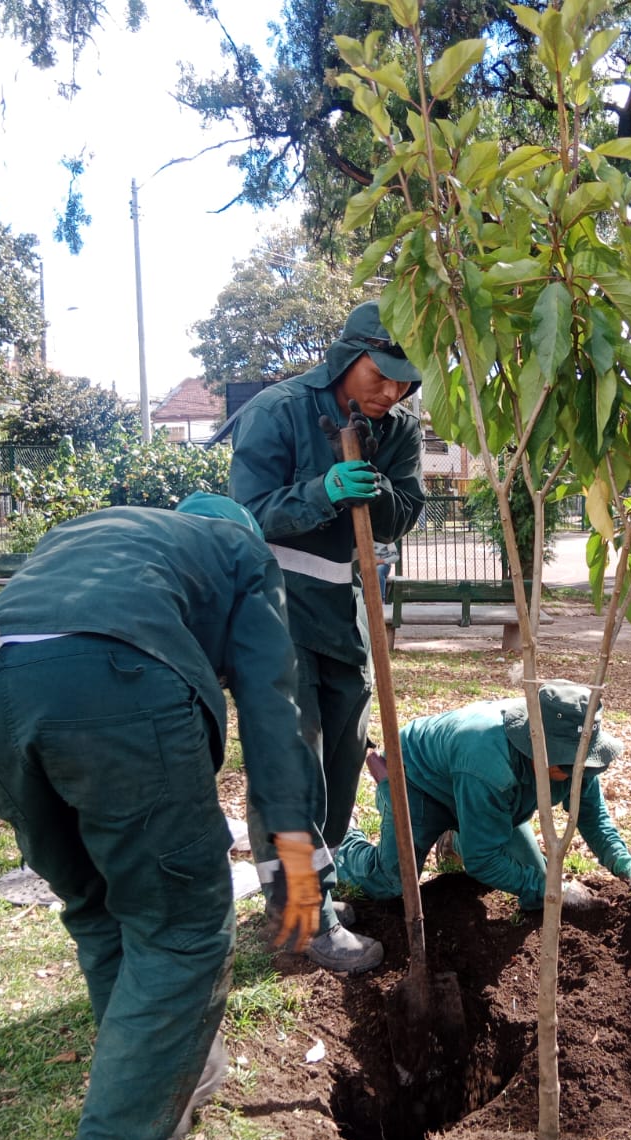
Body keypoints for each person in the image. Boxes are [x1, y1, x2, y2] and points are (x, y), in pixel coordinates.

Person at [0, 494, 329, 1140]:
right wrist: (291, 845)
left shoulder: (89, 539)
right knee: (186, 929)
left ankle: (147, 1094)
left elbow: (21, 658)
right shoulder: (241, 552)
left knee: (100, 910)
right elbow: (268, 699)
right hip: (117, 698)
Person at [227, 301, 425, 974]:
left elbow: (406, 512)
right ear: (348, 355)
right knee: (290, 764)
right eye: (381, 373)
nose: (391, 391)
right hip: (274, 614)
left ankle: (318, 892)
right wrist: (322, 491)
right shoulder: (274, 413)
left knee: (340, 761)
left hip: (348, 612)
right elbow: (246, 518)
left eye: (404, 381)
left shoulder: (396, 427)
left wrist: (375, 494)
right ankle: (299, 916)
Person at [334, 681, 631, 912]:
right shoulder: (490, 762)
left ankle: (458, 839)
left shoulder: (575, 757)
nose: (582, 774)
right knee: (391, 882)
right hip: (417, 781)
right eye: (570, 767)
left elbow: (593, 819)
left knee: (538, 889)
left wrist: (628, 869)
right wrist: (556, 890)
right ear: (539, 754)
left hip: (480, 795)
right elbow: (483, 861)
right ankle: (344, 837)